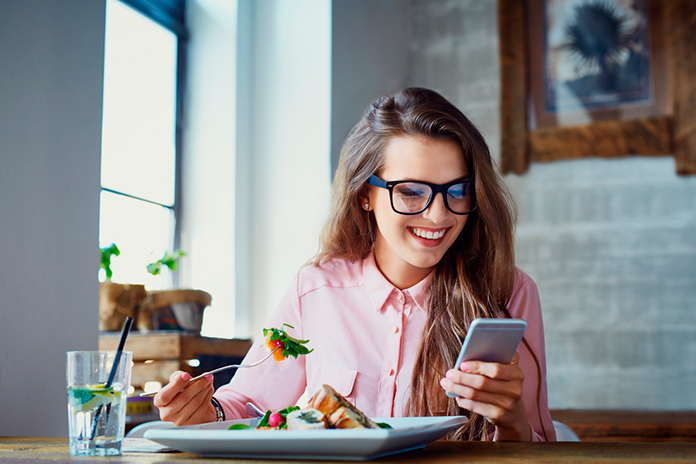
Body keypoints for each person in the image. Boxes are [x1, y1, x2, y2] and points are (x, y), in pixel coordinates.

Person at [154, 87, 556, 441]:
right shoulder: (314, 290)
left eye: (457, 191)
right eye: (411, 192)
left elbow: (539, 444)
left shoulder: (510, 292)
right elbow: (252, 407)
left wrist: (513, 420)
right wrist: (207, 413)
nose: (438, 216)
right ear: (365, 193)